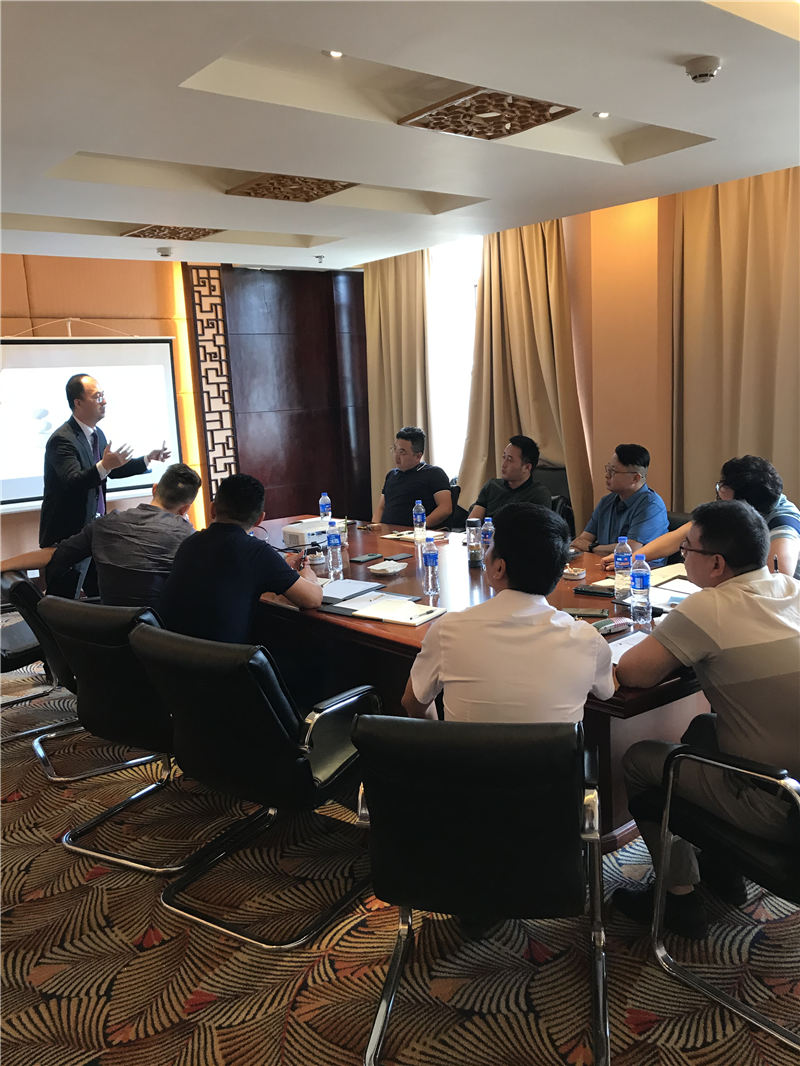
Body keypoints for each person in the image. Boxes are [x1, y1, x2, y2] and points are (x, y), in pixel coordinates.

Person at [613, 500, 800, 938]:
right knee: (702, 730)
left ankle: (677, 898)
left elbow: (633, 673)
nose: (683, 557)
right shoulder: (791, 588)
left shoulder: (708, 608)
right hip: (793, 782)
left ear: (716, 564)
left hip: (777, 804)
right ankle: (723, 869)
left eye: (688, 550)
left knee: (641, 759)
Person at [402, 502, 615, 721]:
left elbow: (413, 703)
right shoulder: (588, 640)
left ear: (499, 568)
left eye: (490, 546)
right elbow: (606, 692)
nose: (486, 553)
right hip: (556, 746)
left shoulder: (448, 630)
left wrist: (437, 735)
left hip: (463, 746)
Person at [39, 373, 171, 596]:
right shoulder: (62, 440)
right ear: (78, 402)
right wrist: (104, 465)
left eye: (103, 395)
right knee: (64, 598)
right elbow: (73, 481)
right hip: (68, 534)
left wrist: (147, 459)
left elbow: (111, 470)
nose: (104, 401)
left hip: (95, 531)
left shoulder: (96, 434)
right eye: (97, 396)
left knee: (99, 595)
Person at [2, 463, 201, 608]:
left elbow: (53, 554)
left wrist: (3, 564)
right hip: (160, 637)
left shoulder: (106, 523)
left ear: (154, 488)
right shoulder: (187, 536)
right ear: (185, 508)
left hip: (108, 631)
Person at [159, 473, 323, 644]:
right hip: (225, 658)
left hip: (170, 653)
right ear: (260, 519)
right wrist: (309, 577)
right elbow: (312, 599)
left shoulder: (189, 543)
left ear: (212, 509)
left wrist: (280, 569)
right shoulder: (256, 552)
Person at [605, 455, 800, 579]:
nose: (719, 491)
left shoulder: (784, 523)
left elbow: (777, 579)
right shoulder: (734, 507)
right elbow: (682, 535)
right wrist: (634, 558)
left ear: (744, 503)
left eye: (722, 487)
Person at [570, 444, 668, 560]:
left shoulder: (651, 506)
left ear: (635, 478)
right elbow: (582, 540)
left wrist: (592, 547)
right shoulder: (606, 501)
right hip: (604, 565)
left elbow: (630, 550)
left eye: (613, 471)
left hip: (641, 569)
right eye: (608, 469)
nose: (607, 475)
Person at [371, 426, 452, 528]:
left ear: (418, 456)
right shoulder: (391, 475)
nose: (396, 456)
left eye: (402, 452)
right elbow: (381, 508)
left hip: (414, 533)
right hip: (387, 533)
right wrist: (374, 527)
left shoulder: (434, 473)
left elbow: (445, 508)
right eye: (395, 449)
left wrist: (419, 527)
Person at [467, 435, 551, 521]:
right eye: (504, 457)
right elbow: (473, 523)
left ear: (527, 467)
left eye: (510, 460)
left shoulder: (538, 494)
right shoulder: (492, 486)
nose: (503, 464)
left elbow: (538, 528)